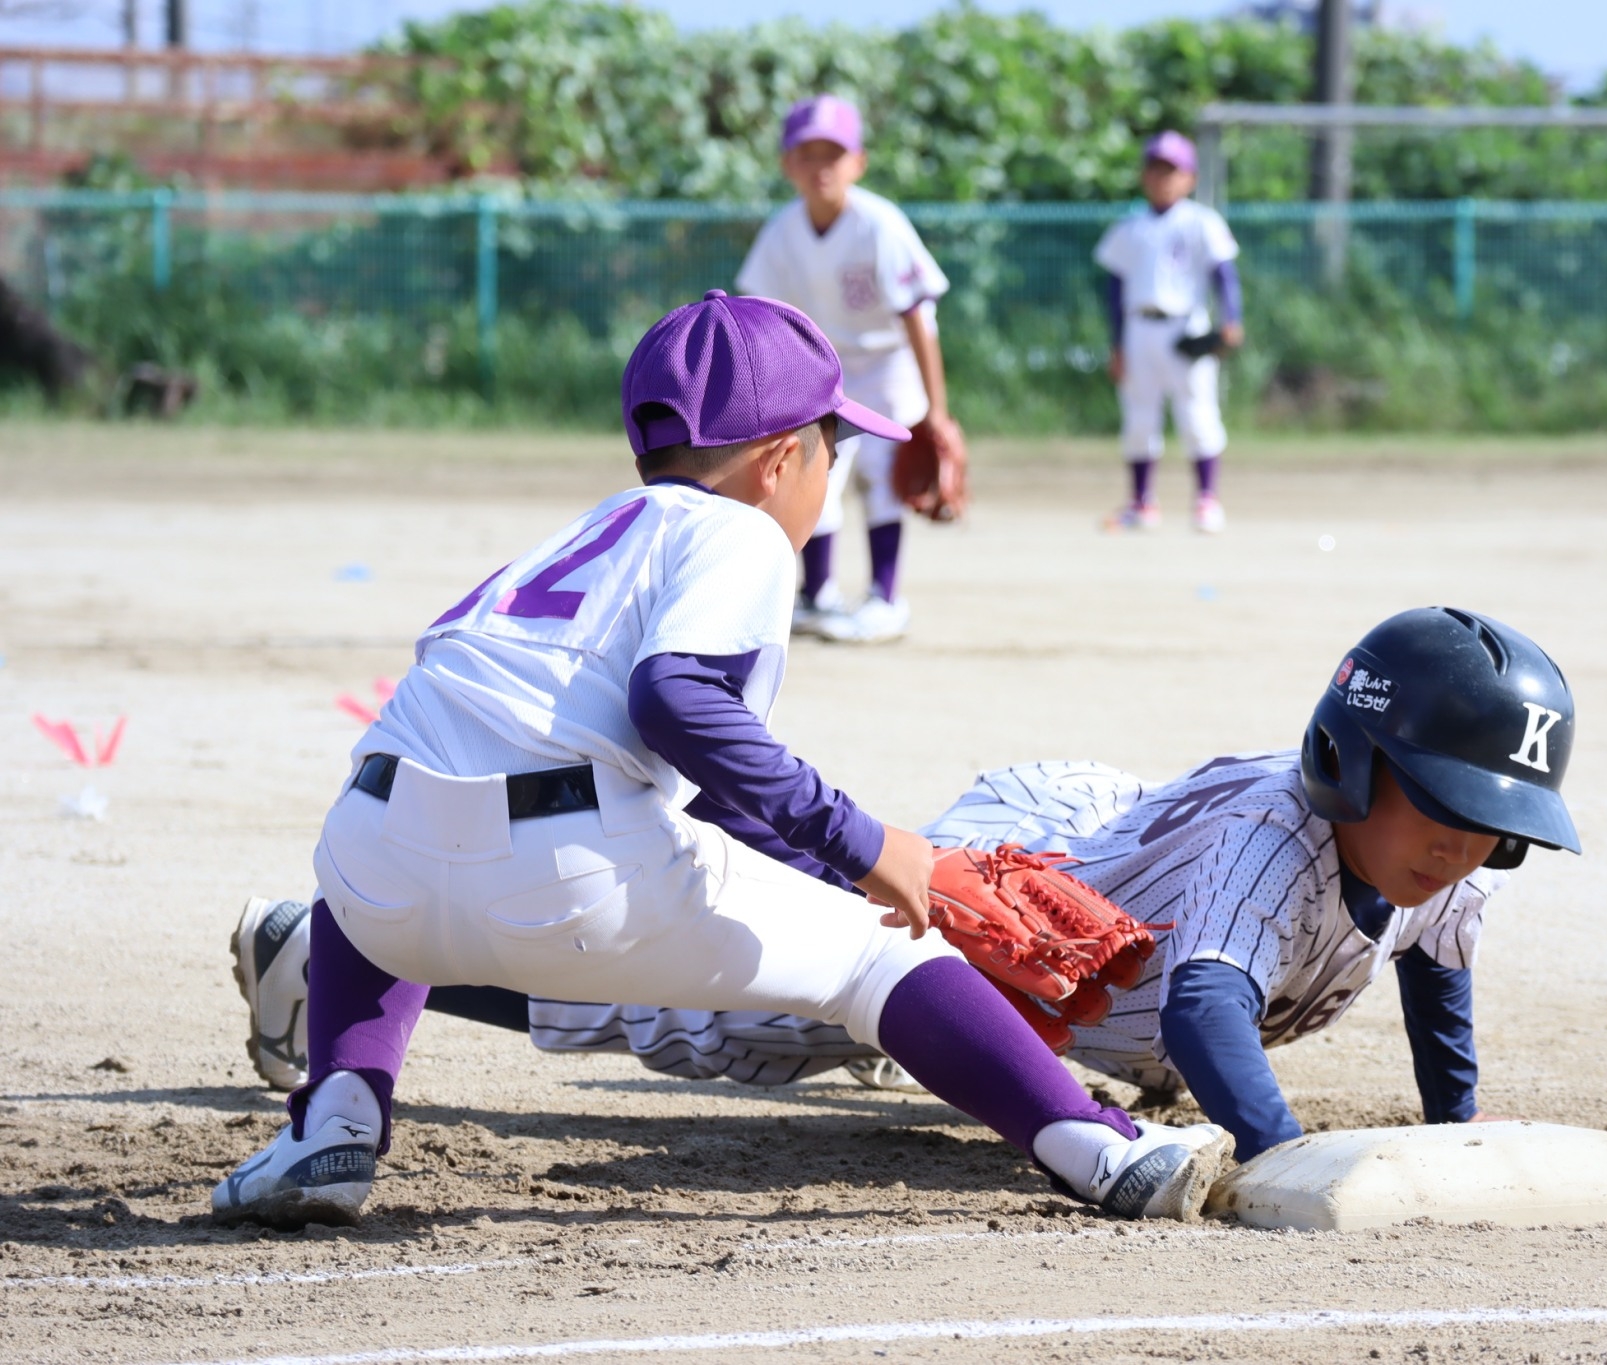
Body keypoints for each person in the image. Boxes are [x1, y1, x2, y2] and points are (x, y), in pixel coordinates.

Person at [210, 291, 1231, 1231]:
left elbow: (660, 769)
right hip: (567, 873)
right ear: (778, 459)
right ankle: (1098, 1149)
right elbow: (677, 702)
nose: (836, 469)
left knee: (385, 856)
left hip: (365, 860)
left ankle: (335, 1120)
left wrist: (844, 869)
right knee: (884, 960)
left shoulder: (587, 533)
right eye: (833, 444)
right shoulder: (739, 538)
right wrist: (868, 847)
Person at [234, 608, 1578, 1164]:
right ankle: (337, 948)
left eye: (1490, 822)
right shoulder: (1279, 835)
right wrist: (1279, 1157)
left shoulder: (1436, 869)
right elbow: (1203, 1010)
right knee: (728, 1005)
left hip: (1115, 848)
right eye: (1444, 805)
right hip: (1035, 879)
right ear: (1348, 765)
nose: (1463, 841)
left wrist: (1454, 1127)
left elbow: (1440, 981)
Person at [735, 95, 963, 644]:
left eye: (833, 153)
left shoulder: (878, 224)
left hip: (888, 366)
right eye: (807, 153)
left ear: (858, 162)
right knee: (819, 477)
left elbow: (918, 317)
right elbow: (763, 318)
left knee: (885, 476)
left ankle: (885, 597)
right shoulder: (783, 230)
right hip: (823, 371)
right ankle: (818, 596)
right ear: (787, 164)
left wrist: (938, 412)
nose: (821, 166)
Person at [1093, 131, 1243, 535]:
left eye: (1171, 170)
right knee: (1139, 418)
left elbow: (1224, 275)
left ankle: (1206, 499)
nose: (1161, 177)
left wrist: (1232, 319)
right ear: (1144, 176)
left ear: (1189, 178)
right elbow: (1114, 289)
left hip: (1186, 328)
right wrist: (1116, 343)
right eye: (1155, 169)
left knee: (1197, 414)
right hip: (1139, 329)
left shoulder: (1201, 222)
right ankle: (1142, 503)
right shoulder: (1130, 226)